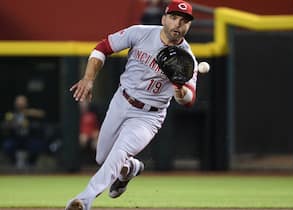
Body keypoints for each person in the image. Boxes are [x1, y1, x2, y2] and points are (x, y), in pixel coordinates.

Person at [65, 0, 198, 209]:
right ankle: (130, 168)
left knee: (119, 152)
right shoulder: (140, 33)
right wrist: (89, 78)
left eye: (184, 21)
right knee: (102, 157)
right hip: (121, 101)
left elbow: (189, 100)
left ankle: (84, 199)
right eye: (173, 18)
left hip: (148, 116)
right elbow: (102, 48)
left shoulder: (187, 58)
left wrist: (180, 91)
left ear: (188, 26)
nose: (177, 24)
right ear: (164, 18)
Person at [1, 95, 46, 169]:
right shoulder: (11, 114)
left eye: (22, 103)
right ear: (15, 104)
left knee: (37, 145)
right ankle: (14, 163)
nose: (20, 105)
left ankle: (31, 163)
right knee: (7, 145)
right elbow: (4, 126)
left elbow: (42, 114)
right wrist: (14, 124)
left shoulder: (30, 112)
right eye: (19, 103)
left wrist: (27, 114)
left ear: (26, 104)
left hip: (28, 138)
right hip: (15, 138)